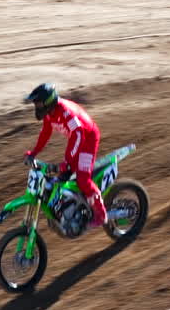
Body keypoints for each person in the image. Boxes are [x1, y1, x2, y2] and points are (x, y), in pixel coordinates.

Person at [22, 84, 108, 228]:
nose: (36, 106)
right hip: (77, 139)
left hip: (88, 138)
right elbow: (45, 133)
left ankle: (101, 213)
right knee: (60, 177)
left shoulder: (65, 112)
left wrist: (68, 161)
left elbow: (79, 133)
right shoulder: (50, 113)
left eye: (38, 102)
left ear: (47, 102)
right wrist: (34, 152)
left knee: (82, 179)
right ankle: (70, 207)